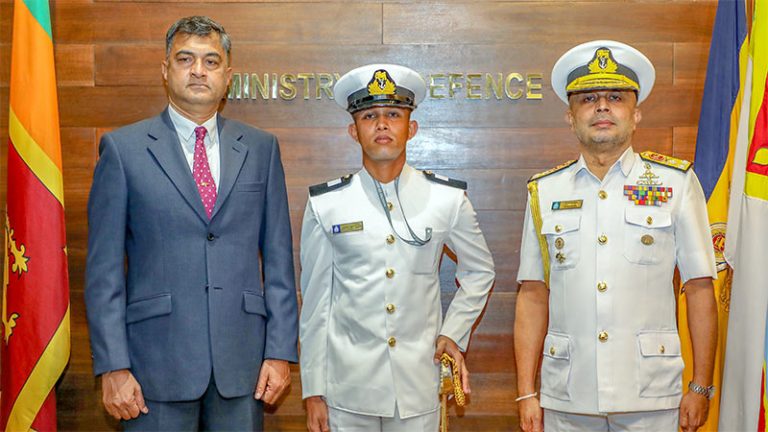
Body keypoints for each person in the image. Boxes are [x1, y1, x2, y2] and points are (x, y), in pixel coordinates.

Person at [85, 16, 297, 431]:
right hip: (152, 368)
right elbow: (103, 271)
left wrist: (279, 352)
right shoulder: (123, 150)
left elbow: (278, 263)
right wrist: (113, 365)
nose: (199, 70)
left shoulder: (261, 149)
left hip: (243, 366)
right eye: (185, 59)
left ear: (228, 77)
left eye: (211, 61)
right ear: (165, 70)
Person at [513, 40, 718, 432]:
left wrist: (700, 386)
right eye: (588, 99)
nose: (602, 107)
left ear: (636, 114)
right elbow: (532, 293)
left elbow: (699, 287)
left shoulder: (674, 184)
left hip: (651, 396)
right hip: (568, 395)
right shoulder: (546, 191)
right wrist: (526, 392)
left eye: (616, 97)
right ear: (570, 117)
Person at [299, 64, 496, 432]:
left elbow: (480, 271)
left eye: (393, 115)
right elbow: (316, 305)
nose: (382, 125)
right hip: (348, 390)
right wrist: (313, 390)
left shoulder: (446, 199)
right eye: (369, 116)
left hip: (417, 384)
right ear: (353, 131)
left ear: (412, 127)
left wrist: (453, 332)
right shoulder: (327, 204)